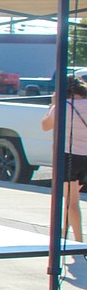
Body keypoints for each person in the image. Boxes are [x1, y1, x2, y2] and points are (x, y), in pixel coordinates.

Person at [41, 73, 87, 242]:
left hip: (69, 157)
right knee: (71, 199)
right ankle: (63, 235)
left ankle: (78, 242)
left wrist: (52, 105)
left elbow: (45, 126)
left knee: (71, 201)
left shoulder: (61, 107)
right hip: (85, 157)